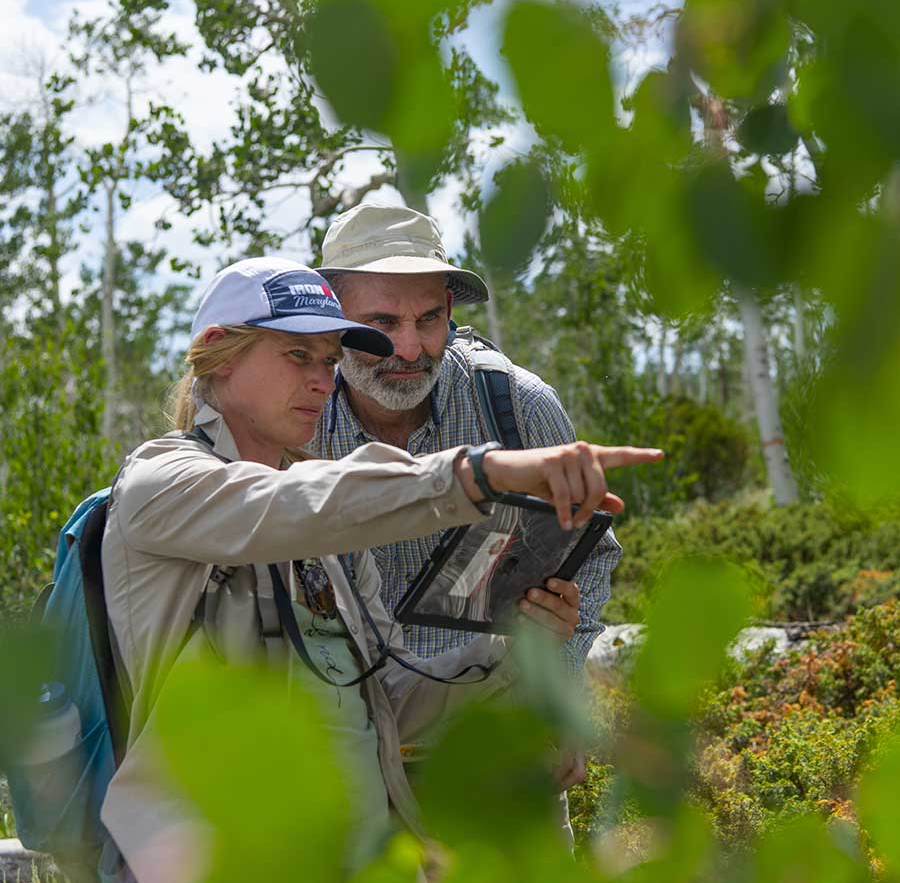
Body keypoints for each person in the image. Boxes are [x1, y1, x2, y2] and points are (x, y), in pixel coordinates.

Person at [99, 256, 663, 883]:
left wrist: (517, 652)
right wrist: (482, 474)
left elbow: (385, 694)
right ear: (219, 352)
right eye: (296, 356)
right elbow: (286, 506)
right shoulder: (161, 482)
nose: (321, 382)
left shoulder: (324, 526)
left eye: (329, 361)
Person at [310, 204, 626, 792]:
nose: (409, 349)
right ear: (332, 313)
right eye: (381, 323)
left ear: (451, 309)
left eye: (429, 319)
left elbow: (594, 558)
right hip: (353, 761)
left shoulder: (516, 405)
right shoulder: (298, 419)